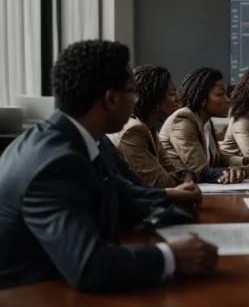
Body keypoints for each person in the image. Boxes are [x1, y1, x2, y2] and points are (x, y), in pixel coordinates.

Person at [0, 40, 218, 292]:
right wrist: (171, 256)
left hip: (58, 279)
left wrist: (167, 196)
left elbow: (117, 192)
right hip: (30, 292)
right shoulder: (55, 162)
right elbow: (89, 266)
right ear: (111, 99)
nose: (136, 100)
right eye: (133, 92)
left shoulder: (83, 137)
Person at [110, 65, 244, 187]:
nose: (178, 98)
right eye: (172, 93)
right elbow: (160, 181)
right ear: (157, 99)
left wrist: (185, 174)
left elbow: (171, 168)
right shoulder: (135, 130)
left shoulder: (149, 129)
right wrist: (186, 176)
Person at [159, 67, 249, 180]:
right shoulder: (184, 119)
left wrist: (247, 161)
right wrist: (248, 170)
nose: (228, 99)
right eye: (220, 94)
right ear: (202, 100)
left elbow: (218, 158)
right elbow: (199, 171)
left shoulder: (205, 121)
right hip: (178, 190)